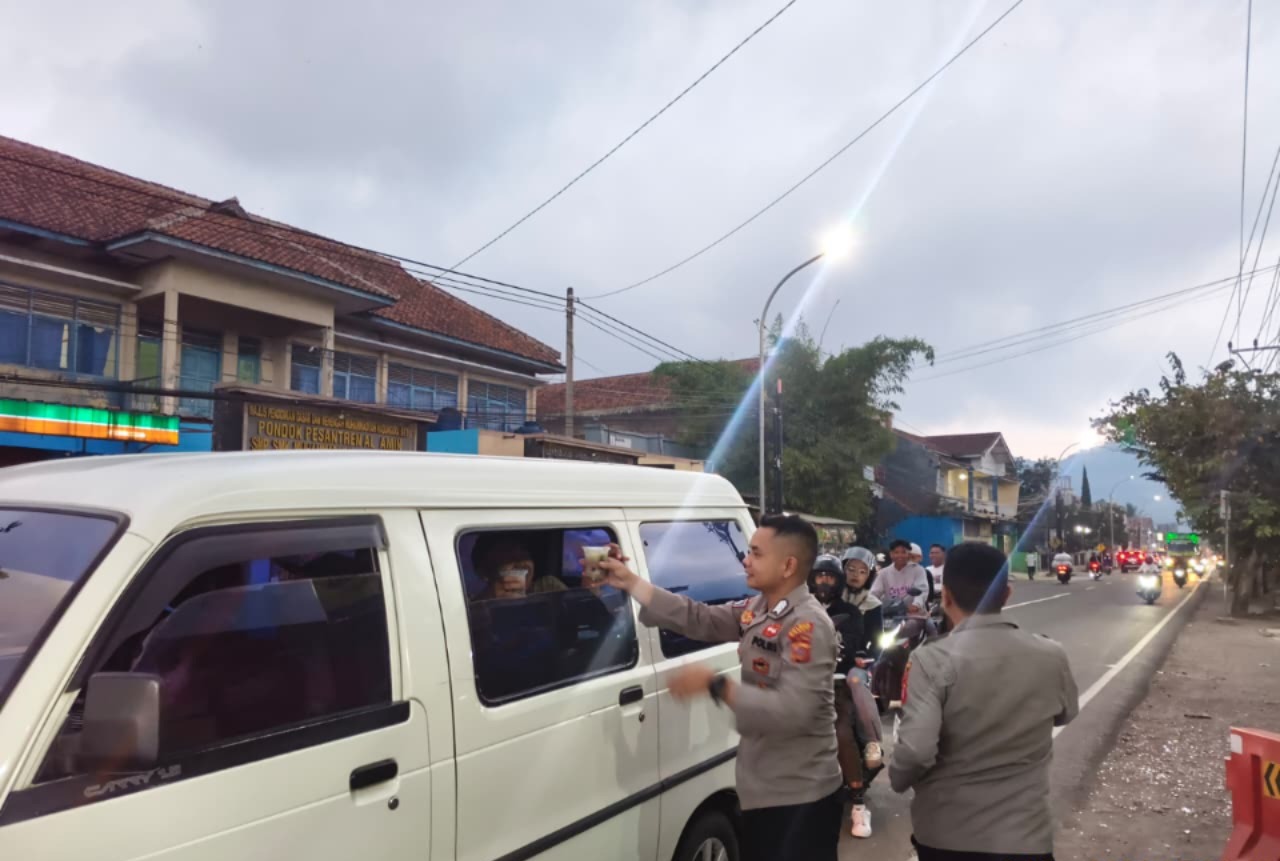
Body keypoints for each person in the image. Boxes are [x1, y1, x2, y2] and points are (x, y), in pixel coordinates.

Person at [599, 514, 843, 861]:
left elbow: (794, 711)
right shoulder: (759, 608)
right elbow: (699, 617)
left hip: (800, 799)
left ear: (788, 565)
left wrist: (715, 685)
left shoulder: (808, 625)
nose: (746, 560)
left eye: (756, 553)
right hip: (763, 788)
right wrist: (630, 582)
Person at [890, 542, 1079, 861]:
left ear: (946, 595)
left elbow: (916, 752)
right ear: (1006, 594)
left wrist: (898, 779)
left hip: (948, 834)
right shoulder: (1051, 654)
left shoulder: (930, 660)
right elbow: (1065, 713)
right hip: (1026, 835)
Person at [811, 555, 883, 839]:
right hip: (803, 684)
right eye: (819, 576)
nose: (824, 582)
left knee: (841, 732)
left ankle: (857, 800)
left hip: (838, 682)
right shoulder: (803, 607)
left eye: (830, 577)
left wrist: (853, 655)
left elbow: (855, 645)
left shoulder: (851, 612)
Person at [872, 539, 931, 615]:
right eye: (896, 552)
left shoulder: (918, 570)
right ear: (891, 554)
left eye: (903, 552)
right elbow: (874, 592)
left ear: (909, 554)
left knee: (911, 626)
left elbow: (922, 590)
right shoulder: (884, 573)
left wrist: (916, 604)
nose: (900, 555)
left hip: (914, 614)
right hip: (890, 614)